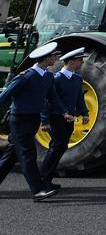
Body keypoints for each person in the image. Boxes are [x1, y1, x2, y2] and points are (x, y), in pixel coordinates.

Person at [0, 41, 70, 201]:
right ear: (47, 58)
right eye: (54, 56)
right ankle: (38, 190)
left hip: (33, 119)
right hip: (19, 120)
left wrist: (64, 113)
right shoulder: (27, 76)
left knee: (12, 155)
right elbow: (5, 95)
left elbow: (53, 98)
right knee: (28, 154)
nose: (56, 58)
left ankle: (39, 188)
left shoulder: (47, 77)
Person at [39, 47, 90, 190]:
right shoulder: (56, 79)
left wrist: (85, 113)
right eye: (80, 60)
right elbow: (47, 101)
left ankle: (46, 179)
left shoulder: (77, 78)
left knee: (59, 147)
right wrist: (45, 121)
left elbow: (79, 98)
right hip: (56, 117)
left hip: (70, 118)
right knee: (58, 146)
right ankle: (42, 178)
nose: (81, 63)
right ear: (72, 61)